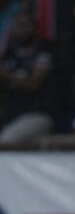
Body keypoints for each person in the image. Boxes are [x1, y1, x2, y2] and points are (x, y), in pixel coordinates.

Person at [0, 10, 54, 143]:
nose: (22, 29)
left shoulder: (43, 50)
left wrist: (6, 75)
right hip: (12, 116)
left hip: (37, 114)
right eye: (18, 25)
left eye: (26, 25)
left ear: (34, 27)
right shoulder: (9, 53)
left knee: (5, 141)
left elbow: (33, 84)